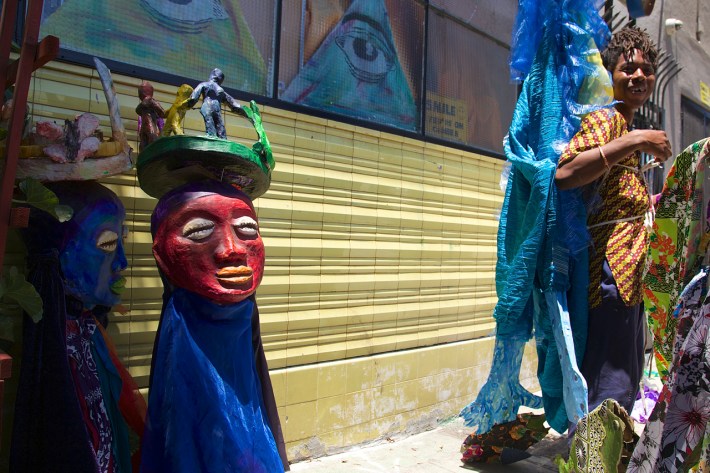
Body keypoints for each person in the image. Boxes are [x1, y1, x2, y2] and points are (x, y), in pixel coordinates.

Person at [555, 26, 673, 415]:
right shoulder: (608, 121)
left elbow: (616, 199)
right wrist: (636, 141)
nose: (638, 75)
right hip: (611, 275)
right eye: (628, 68)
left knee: (622, 379)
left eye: (646, 68)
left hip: (628, 276)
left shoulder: (625, 125)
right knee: (608, 383)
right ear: (610, 75)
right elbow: (566, 173)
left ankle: (602, 456)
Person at [140, 180, 288, 472]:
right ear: (161, 254)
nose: (231, 250)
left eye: (246, 229)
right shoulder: (183, 332)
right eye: (199, 230)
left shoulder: (244, 320)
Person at [10, 181, 146, 473]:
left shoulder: (89, 332)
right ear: (60, 254)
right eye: (108, 244)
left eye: (123, 239)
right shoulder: (56, 347)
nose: (121, 261)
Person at [186, 68, 248, 139]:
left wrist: (188, 105)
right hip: (217, 110)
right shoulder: (221, 91)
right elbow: (234, 104)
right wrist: (244, 112)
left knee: (211, 131)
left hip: (207, 108)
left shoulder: (204, 85)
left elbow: (194, 97)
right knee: (221, 133)